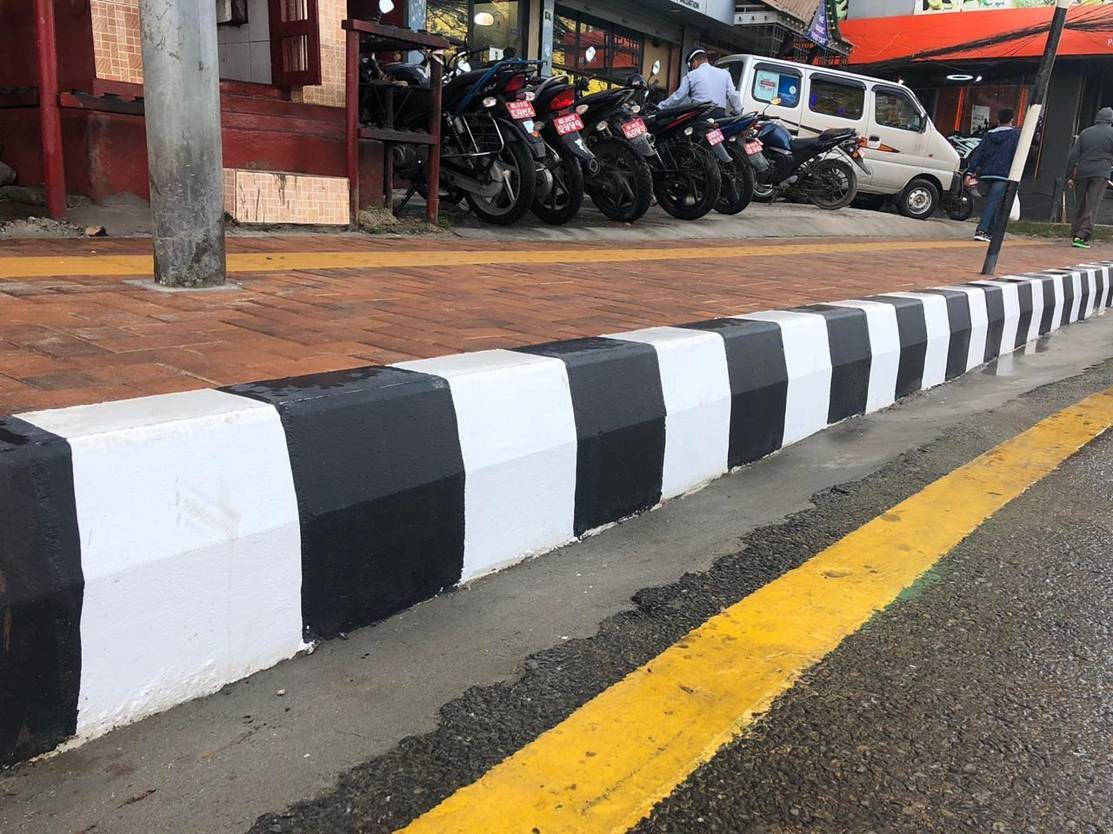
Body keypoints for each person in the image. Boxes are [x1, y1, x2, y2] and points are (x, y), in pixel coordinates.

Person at [965, 108, 1021, 243]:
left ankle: (990, 232)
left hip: (987, 173)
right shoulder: (1015, 136)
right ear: (1012, 120)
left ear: (998, 120)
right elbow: (1017, 154)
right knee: (994, 202)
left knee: (993, 201)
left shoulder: (988, 135)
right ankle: (982, 230)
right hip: (1003, 173)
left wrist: (970, 171)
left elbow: (979, 153)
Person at [1066, 107, 1113, 250]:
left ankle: (1075, 232)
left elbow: (1073, 156)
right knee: (1092, 203)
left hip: (1082, 171)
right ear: (1110, 120)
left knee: (1080, 203)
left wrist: (1070, 176)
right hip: (1101, 172)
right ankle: (1082, 236)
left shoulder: (1085, 132)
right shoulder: (1111, 133)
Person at [657, 48, 741, 117]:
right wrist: (738, 111)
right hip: (719, 116)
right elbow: (733, 95)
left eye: (690, 66)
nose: (691, 68)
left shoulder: (690, 75)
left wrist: (660, 107)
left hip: (699, 115)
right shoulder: (725, 74)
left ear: (694, 62)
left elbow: (678, 97)